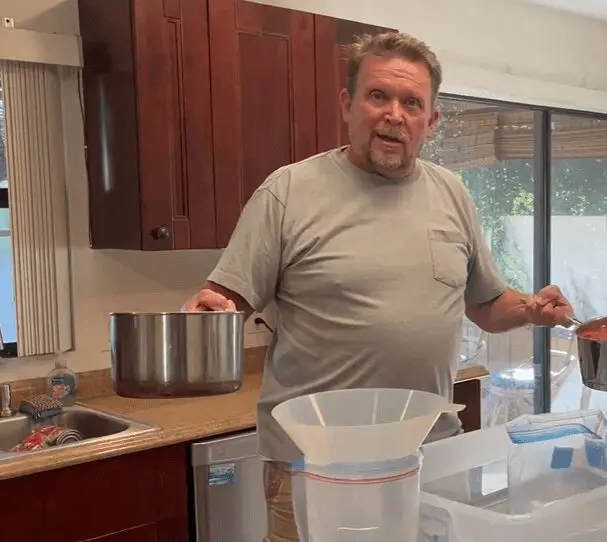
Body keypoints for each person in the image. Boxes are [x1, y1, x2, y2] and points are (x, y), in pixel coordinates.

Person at [182, 31, 575, 542]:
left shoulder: (451, 193)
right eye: (378, 96)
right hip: (316, 466)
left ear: (430, 121)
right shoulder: (288, 193)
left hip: (428, 456)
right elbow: (223, 302)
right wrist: (206, 314)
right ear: (348, 105)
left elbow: (485, 303)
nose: (394, 114)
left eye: (412, 103)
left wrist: (530, 308)